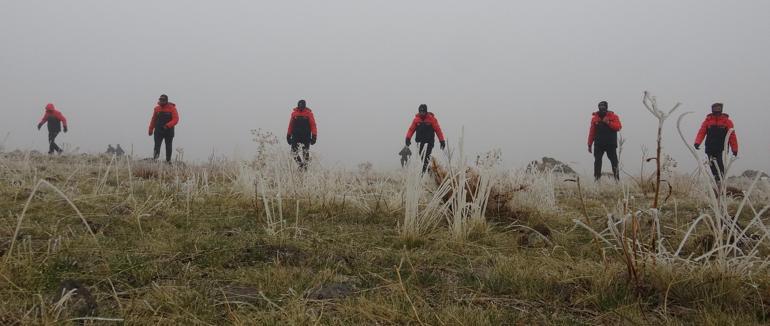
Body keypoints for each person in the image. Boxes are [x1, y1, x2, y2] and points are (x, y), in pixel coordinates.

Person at [694, 102, 738, 182]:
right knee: (712, 165)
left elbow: (732, 136)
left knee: (720, 164)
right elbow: (702, 132)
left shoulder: (727, 121)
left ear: (721, 109)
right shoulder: (707, 121)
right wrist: (697, 142)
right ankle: (716, 180)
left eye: (719, 108)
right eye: (715, 108)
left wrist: (734, 149)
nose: (717, 110)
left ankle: (722, 181)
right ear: (712, 109)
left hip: (722, 148)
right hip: (710, 147)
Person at [405, 104, 446, 172]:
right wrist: (408, 138)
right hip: (420, 142)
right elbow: (411, 129)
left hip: (429, 142)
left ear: (426, 111)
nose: (422, 113)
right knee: (422, 157)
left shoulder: (432, 119)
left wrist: (442, 141)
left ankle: (423, 173)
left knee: (426, 157)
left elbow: (438, 130)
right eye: (420, 111)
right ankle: (429, 170)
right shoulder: (416, 120)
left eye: (423, 111)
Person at [587, 101, 622, 181]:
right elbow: (592, 132)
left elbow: (618, 127)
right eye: (600, 106)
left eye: (603, 106)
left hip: (611, 144)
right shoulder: (594, 118)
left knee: (614, 162)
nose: (601, 108)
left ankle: (617, 181)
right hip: (598, 144)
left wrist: (608, 122)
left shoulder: (614, 116)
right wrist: (589, 144)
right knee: (597, 162)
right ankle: (597, 180)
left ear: (606, 107)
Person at [286, 99, 317, 169]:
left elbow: (313, 125)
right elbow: (291, 125)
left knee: (305, 153)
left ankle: (305, 168)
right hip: (295, 136)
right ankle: (301, 165)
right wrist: (288, 135)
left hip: (306, 136)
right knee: (293, 152)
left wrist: (314, 136)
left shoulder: (309, 114)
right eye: (299, 105)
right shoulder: (294, 114)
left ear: (304, 106)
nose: (300, 106)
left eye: (302, 105)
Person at [148, 94, 179, 163]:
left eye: (163, 100)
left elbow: (176, 119)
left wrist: (167, 125)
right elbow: (154, 119)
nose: (161, 101)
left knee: (168, 146)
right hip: (158, 130)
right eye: (160, 99)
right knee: (157, 145)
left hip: (169, 131)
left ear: (166, 101)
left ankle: (168, 161)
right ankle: (155, 159)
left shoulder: (172, 108)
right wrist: (150, 129)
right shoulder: (157, 109)